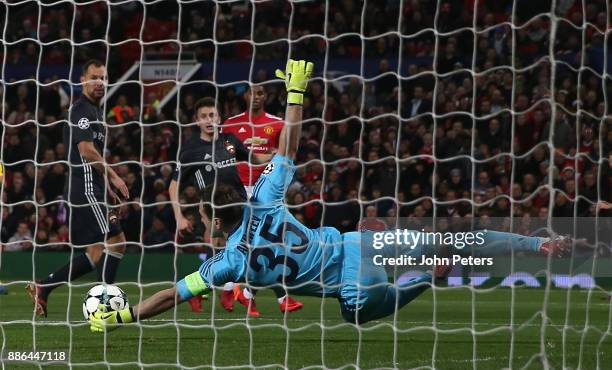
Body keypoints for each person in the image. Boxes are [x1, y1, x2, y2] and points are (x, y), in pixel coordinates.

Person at [88, 60, 569, 331]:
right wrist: (295, 95)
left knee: (355, 314)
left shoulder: (228, 262)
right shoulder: (267, 196)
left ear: (215, 222)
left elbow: (173, 294)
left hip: (351, 282)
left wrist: (127, 314)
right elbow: (290, 143)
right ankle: (535, 245)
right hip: (355, 243)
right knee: (445, 238)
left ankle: (420, 282)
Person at [27, 59, 130, 317]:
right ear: (83, 79)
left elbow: (92, 157)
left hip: (92, 187)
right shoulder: (81, 110)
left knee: (102, 248)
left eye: (104, 78)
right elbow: (85, 151)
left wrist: (106, 183)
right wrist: (115, 177)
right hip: (84, 189)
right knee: (113, 242)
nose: (100, 83)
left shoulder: (95, 111)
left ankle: (45, 286)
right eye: (94, 77)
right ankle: (106, 303)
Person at [169, 97, 270, 312]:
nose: (209, 120)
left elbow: (253, 158)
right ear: (197, 121)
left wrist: (277, 156)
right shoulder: (190, 150)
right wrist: (179, 216)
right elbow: (173, 185)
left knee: (249, 247)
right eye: (204, 116)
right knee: (220, 248)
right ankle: (219, 290)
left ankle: (217, 290)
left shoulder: (229, 140)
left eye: (212, 115)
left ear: (219, 118)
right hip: (212, 208)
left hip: (239, 204)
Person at [221, 84, 304, 316]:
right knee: (248, 242)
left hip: (265, 189)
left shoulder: (277, 124)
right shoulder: (230, 124)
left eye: (260, 93)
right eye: (251, 92)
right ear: (245, 95)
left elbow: (285, 155)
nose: (256, 97)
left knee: (271, 241)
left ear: (265, 96)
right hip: (238, 190)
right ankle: (238, 291)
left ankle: (242, 292)